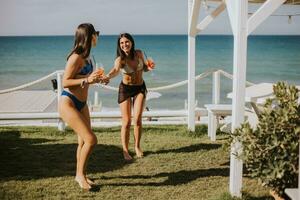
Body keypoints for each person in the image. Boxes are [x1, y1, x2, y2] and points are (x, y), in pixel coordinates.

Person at [59, 23, 106, 190]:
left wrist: (99, 79)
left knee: (83, 142)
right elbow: (65, 82)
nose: (97, 37)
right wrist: (87, 80)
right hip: (69, 102)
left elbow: (86, 78)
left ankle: (82, 175)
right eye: (96, 34)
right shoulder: (76, 57)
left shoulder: (88, 56)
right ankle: (79, 176)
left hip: (82, 104)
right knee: (91, 140)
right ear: (89, 36)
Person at [103, 33, 155, 161]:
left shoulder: (139, 53)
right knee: (126, 122)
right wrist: (107, 77)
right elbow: (115, 71)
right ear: (119, 45)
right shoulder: (120, 59)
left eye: (126, 42)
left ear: (131, 42)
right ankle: (125, 150)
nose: (124, 45)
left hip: (139, 88)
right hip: (125, 89)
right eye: (121, 43)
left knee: (137, 119)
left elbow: (144, 69)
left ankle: (137, 147)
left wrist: (149, 67)